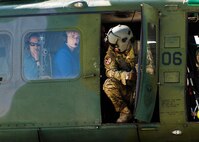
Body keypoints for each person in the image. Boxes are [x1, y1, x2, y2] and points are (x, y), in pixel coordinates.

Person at [103, 25, 137, 123]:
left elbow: (151, 70)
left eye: (115, 45)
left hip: (141, 90)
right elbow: (109, 71)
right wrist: (123, 75)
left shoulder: (140, 49)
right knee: (108, 85)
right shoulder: (112, 51)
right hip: (126, 89)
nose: (112, 47)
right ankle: (125, 112)